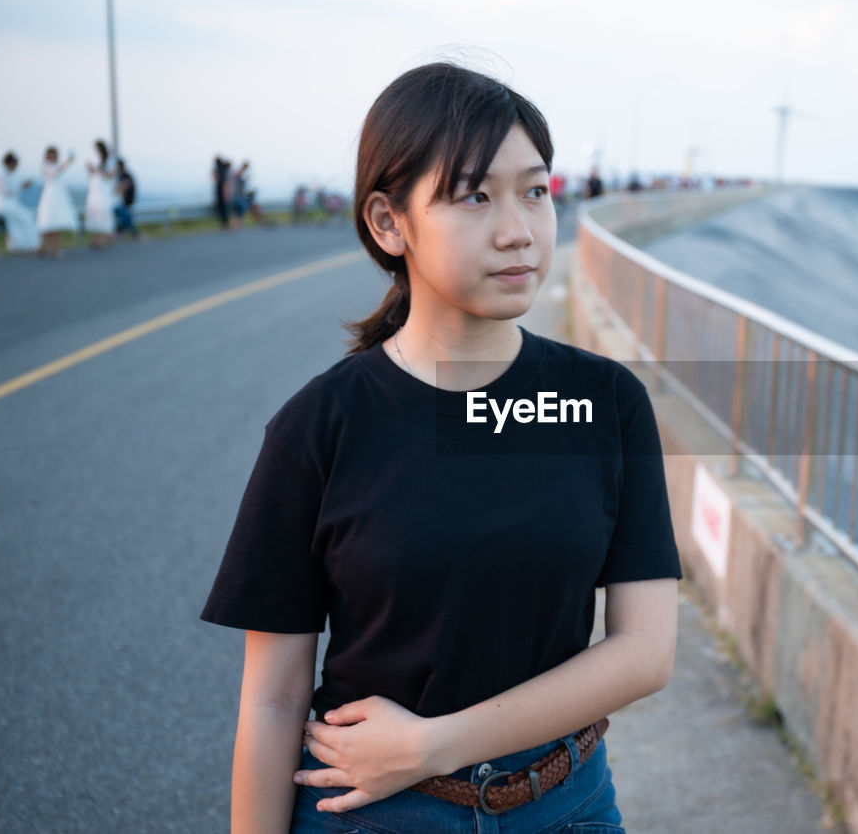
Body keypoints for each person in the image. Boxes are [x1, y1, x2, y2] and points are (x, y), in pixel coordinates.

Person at [201, 62, 681, 834]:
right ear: (389, 223)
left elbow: (645, 650)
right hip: (371, 815)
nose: (518, 228)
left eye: (535, 190)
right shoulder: (320, 426)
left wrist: (431, 744)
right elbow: (273, 696)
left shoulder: (606, 403)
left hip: (567, 807)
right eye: (473, 195)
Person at [0, 152, 40, 254]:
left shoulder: (5, 173)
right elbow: (4, 191)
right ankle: (31, 245)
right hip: (5, 204)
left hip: (9, 203)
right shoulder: (1, 173)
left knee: (23, 218)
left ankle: (22, 245)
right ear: (11, 163)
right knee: (26, 217)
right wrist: (21, 186)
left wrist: (21, 186)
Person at [35, 146, 78, 259]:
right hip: (51, 196)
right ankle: (46, 247)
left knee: (55, 223)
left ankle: (50, 247)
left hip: (57, 196)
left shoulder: (52, 165)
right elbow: (54, 174)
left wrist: (67, 163)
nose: (54, 156)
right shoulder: (46, 166)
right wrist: (66, 163)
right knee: (49, 223)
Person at [84, 139, 117, 249]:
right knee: (94, 213)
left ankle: (103, 240)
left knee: (103, 213)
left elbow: (111, 175)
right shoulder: (94, 159)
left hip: (104, 190)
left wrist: (99, 170)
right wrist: (90, 169)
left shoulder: (110, 160)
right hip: (94, 189)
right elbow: (91, 175)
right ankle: (95, 239)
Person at [114, 158, 140, 240]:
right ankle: (120, 233)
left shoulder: (124, 176)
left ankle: (134, 234)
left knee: (125, 218)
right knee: (124, 218)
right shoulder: (127, 175)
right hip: (127, 201)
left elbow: (122, 188)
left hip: (125, 202)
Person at [212, 155, 231, 228]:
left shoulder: (217, 169)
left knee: (221, 208)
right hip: (224, 191)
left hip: (220, 191)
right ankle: (225, 224)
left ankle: (224, 224)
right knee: (225, 208)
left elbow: (216, 179)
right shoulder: (224, 168)